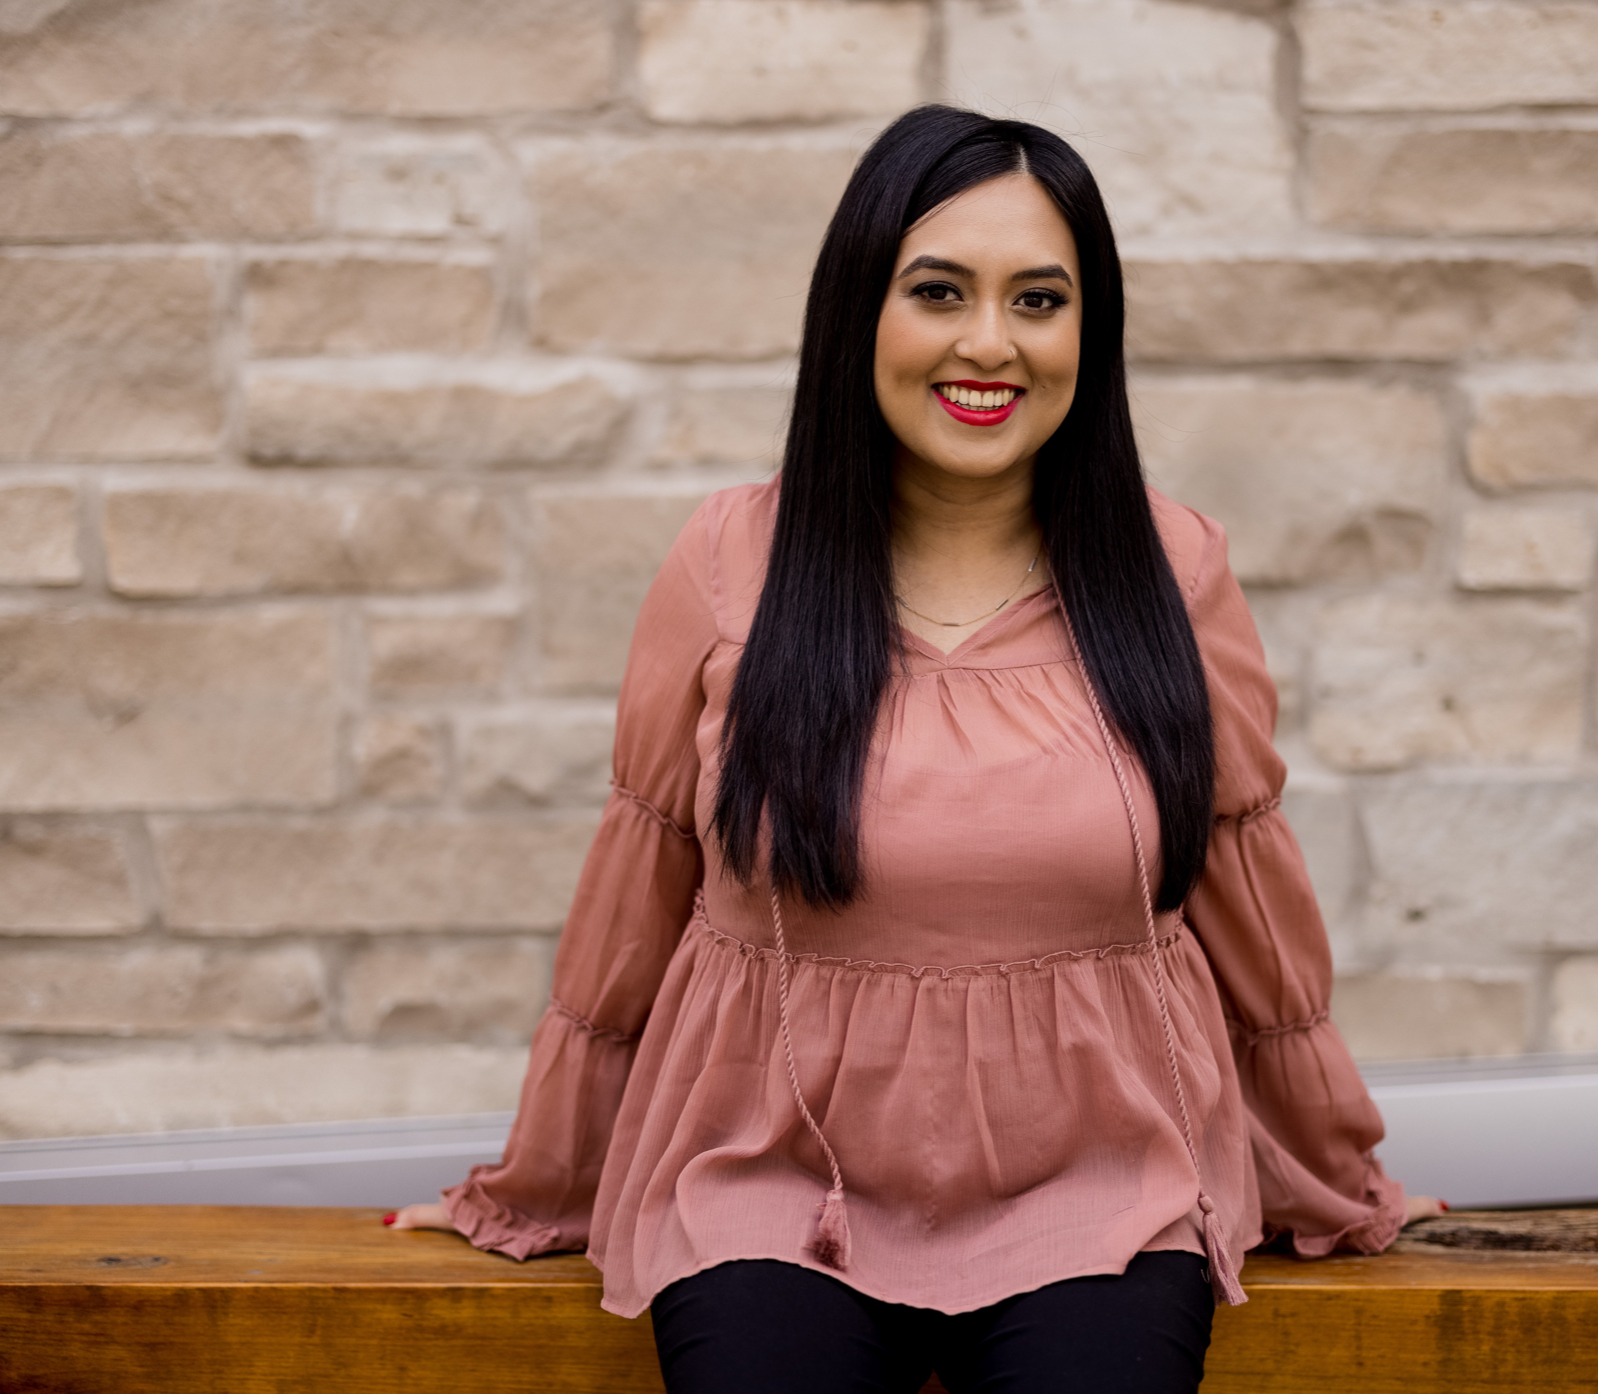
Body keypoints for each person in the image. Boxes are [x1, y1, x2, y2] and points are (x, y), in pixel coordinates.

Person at [388, 104, 1441, 1393]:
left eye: (1039, 300)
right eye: (939, 291)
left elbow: (1251, 905)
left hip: (1103, 1184)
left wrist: (1333, 1176)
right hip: (773, 1181)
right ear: (860, 313)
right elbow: (636, 893)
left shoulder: (1174, 571)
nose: (989, 342)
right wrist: (538, 1185)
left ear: (1090, 332)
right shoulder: (730, 563)